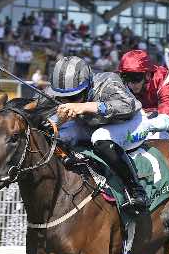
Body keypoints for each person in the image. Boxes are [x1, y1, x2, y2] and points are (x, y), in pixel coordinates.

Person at [45, 56, 148, 210]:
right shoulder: (57, 90)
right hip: (93, 124)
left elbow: (131, 105)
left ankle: (136, 191)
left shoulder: (109, 81)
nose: (68, 102)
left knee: (100, 137)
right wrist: (55, 121)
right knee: (53, 132)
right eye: (63, 99)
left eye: (73, 97)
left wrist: (86, 107)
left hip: (131, 123)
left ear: (88, 86)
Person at [117, 49, 169, 139]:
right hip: (156, 111)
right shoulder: (128, 85)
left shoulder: (167, 81)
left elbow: (165, 122)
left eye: (135, 78)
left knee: (159, 136)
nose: (131, 84)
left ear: (147, 75)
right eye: (126, 78)